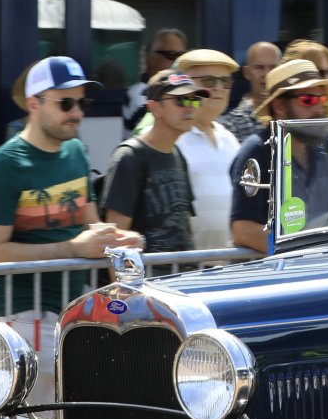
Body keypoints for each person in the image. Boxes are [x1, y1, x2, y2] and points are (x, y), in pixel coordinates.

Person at [0, 57, 140, 400]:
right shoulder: (4, 164)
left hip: (71, 311)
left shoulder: (76, 152)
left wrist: (118, 240)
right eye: (65, 103)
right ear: (33, 104)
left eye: (82, 103)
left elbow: (91, 226)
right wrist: (72, 248)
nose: (77, 112)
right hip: (21, 315)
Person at [230, 60, 328, 252]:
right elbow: (244, 230)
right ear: (279, 106)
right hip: (279, 270)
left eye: (322, 100)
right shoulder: (257, 151)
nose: (319, 109)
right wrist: (306, 253)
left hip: (327, 265)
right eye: (308, 100)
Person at [102, 71, 197, 254]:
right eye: (180, 100)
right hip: (147, 272)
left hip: (182, 270)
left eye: (194, 99)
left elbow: (185, 231)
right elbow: (115, 242)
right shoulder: (129, 157)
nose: (190, 107)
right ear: (154, 107)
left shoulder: (178, 155)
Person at [169, 48, 241, 250]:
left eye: (225, 82)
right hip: (184, 264)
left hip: (230, 263)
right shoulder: (172, 138)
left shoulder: (229, 139)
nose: (219, 88)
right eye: (209, 81)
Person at [122, 28, 187, 133]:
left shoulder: (181, 92)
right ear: (150, 57)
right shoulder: (139, 95)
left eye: (181, 56)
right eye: (171, 54)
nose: (177, 62)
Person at [220, 42, 281, 142]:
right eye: (259, 67)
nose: (267, 74)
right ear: (247, 73)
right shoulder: (233, 125)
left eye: (273, 67)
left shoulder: (293, 114)